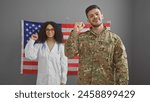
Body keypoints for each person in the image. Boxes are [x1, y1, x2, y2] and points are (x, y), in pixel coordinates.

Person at [65, 5, 129, 85]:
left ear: (102, 16)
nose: (95, 17)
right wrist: (75, 32)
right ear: (88, 20)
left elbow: (122, 65)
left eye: (97, 14)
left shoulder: (114, 39)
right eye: (91, 16)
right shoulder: (81, 37)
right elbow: (69, 54)